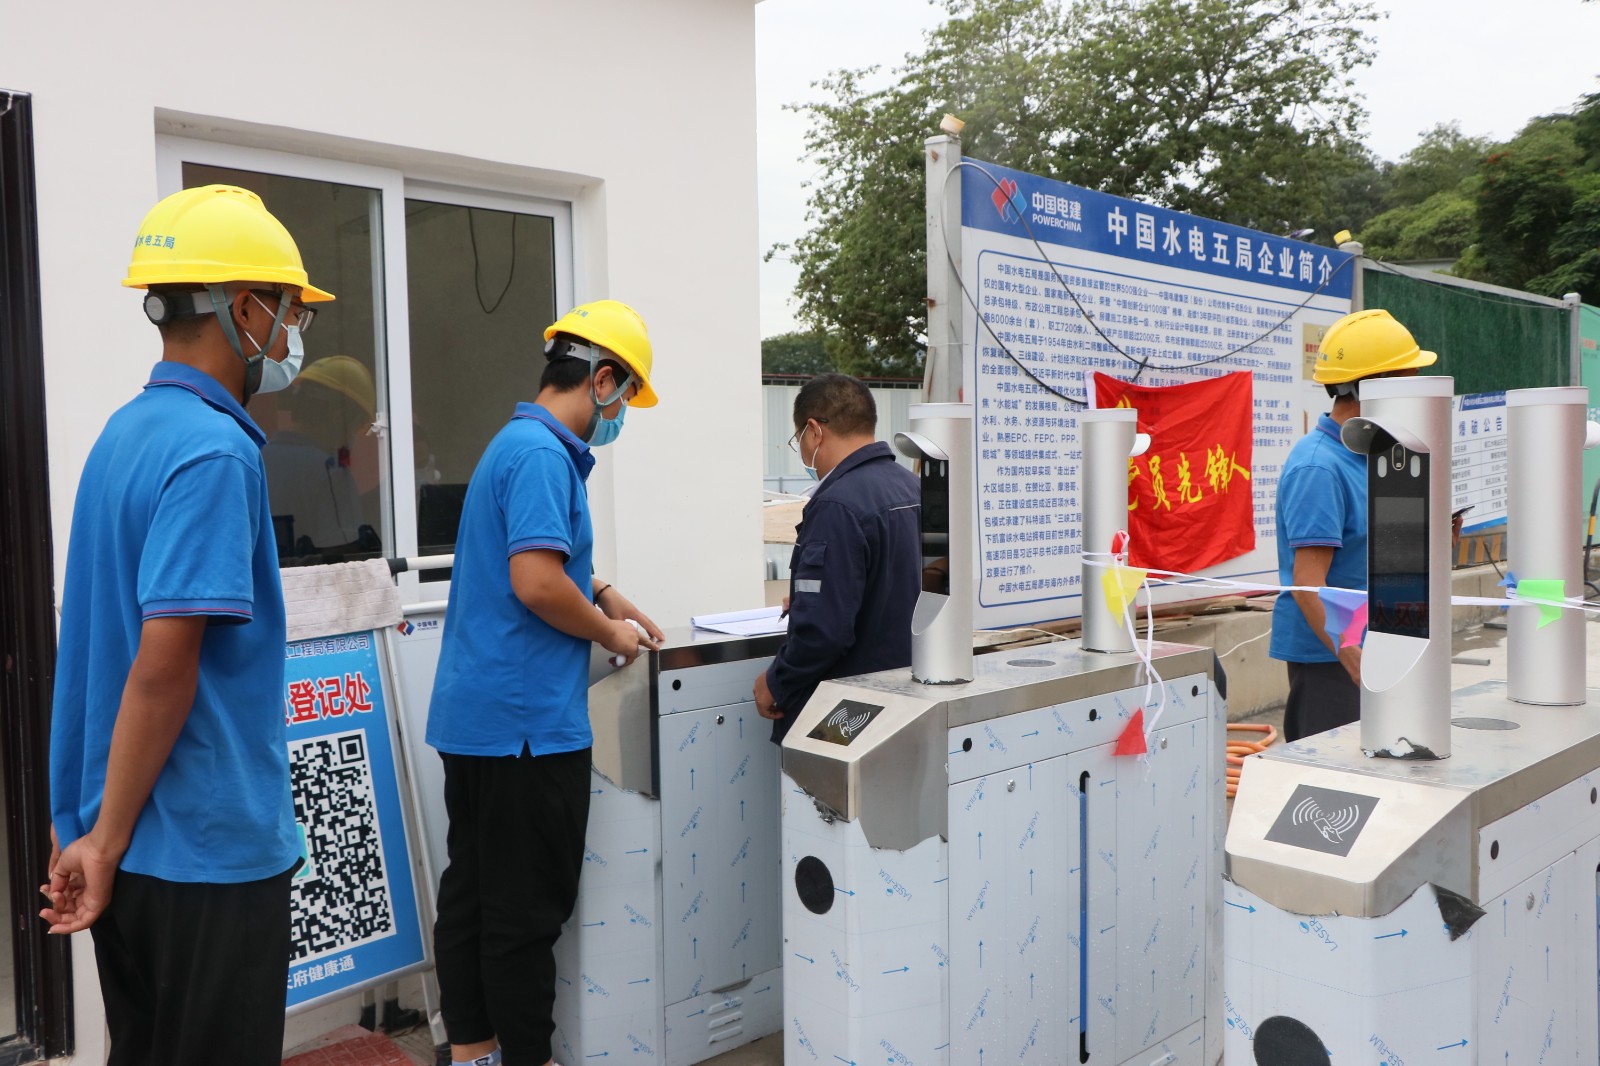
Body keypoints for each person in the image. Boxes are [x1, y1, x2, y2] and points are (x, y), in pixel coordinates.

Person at [43, 184, 333, 1064]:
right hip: (201, 850)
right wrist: (107, 837)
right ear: (243, 309)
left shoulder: (125, 433)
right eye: (288, 312)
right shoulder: (216, 450)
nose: (291, 335)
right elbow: (163, 665)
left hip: (127, 844)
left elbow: (97, 643)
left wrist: (90, 830)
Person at [425, 299, 666, 1066]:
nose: (621, 414)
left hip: (478, 720)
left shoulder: (515, 444)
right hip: (526, 728)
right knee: (523, 915)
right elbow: (534, 582)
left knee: (473, 897)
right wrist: (609, 633)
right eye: (626, 394)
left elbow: (542, 562)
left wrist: (601, 591)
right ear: (602, 379)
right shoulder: (542, 455)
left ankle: (473, 1053)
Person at [1271, 308, 1441, 741]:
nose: (1416, 391)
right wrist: (1351, 655)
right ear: (1373, 386)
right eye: (1408, 379)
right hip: (1334, 660)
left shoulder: (1377, 454)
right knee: (1331, 770)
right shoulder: (1318, 468)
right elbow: (1308, 582)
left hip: (1383, 640)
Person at [754, 374, 921, 740]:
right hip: (907, 704)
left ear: (814, 431)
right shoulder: (913, 489)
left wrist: (776, 681)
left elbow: (823, 633)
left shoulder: (836, 506)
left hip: (845, 715)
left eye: (798, 439)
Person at [263, 354, 380, 559]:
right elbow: (343, 558)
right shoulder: (330, 472)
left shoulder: (259, 458)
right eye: (358, 426)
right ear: (339, 418)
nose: (355, 436)